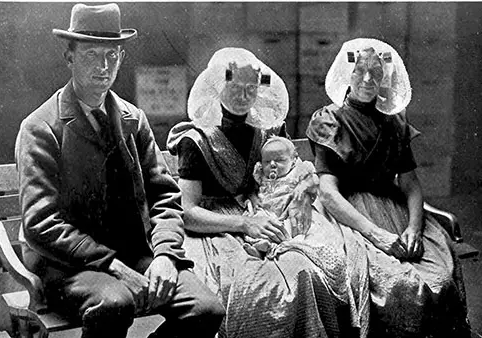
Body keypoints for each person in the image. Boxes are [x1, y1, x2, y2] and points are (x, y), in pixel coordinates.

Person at [15, 4, 224, 338]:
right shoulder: (41, 128)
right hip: (69, 267)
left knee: (206, 309)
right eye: (91, 54)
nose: (103, 66)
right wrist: (112, 265)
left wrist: (167, 255)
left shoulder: (132, 120)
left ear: (121, 58)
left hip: (135, 255)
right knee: (115, 303)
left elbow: (165, 197)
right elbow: (42, 224)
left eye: (112, 55)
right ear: (69, 57)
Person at [167, 47, 365, 338]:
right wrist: (244, 223)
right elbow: (187, 211)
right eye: (234, 87)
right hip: (217, 227)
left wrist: (300, 189)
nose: (243, 96)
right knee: (253, 286)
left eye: (251, 88)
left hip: (267, 212)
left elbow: (299, 169)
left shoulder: (267, 130)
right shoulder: (196, 140)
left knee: (307, 270)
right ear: (218, 86)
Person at [306, 37, 471, 338]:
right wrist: (376, 234)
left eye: (376, 72)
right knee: (396, 283)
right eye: (360, 71)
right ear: (348, 74)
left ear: (384, 78)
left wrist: (414, 228)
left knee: (441, 274)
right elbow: (328, 192)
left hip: (391, 206)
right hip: (348, 213)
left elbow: (410, 184)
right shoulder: (329, 119)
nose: (368, 79)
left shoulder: (394, 123)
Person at [242, 135, 318, 258]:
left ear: (293, 160)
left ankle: (286, 246)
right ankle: (262, 247)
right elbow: (252, 189)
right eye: (267, 161)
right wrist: (253, 198)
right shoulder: (260, 174)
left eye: (280, 160)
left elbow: (314, 180)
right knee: (258, 220)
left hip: (288, 211)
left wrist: (303, 186)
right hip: (268, 211)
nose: (272, 164)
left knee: (293, 225)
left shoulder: (298, 171)